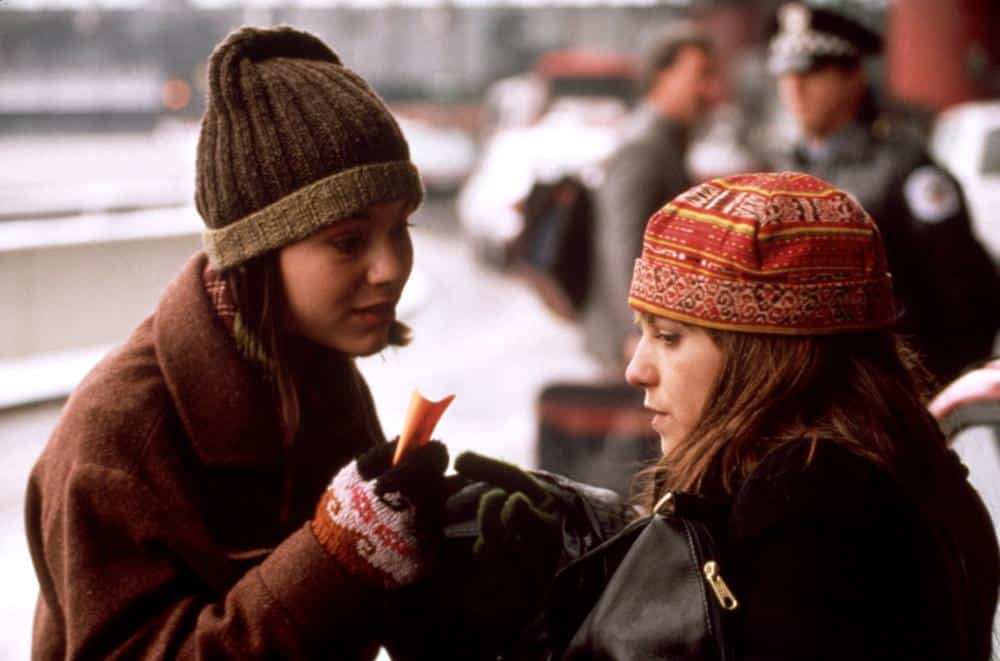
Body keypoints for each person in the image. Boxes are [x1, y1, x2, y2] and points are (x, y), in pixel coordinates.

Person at [25, 26, 451, 658]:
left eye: (402, 226)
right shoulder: (119, 436)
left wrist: (469, 554)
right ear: (255, 251)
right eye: (347, 239)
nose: (390, 267)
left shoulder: (316, 373)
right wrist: (334, 557)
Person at [472, 172, 999, 659]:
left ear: (765, 357)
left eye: (669, 338)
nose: (637, 370)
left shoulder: (809, 506)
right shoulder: (893, 466)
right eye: (643, 333)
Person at [767, 1, 1000, 384]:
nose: (795, 88)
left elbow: (968, 289)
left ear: (854, 76)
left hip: (895, 384)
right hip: (817, 385)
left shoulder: (902, 165)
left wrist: (933, 388)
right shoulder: (784, 166)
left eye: (812, 71)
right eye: (785, 74)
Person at [581, 22, 722, 375]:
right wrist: (638, 331)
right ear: (663, 76)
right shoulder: (644, 146)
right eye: (700, 75)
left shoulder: (666, 142)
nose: (709, 90)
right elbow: (622, 243)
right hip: (633, 347)